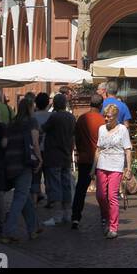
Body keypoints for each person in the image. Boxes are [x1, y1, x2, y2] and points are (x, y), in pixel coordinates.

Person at [0, 92, 43, 243]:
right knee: (20, 197)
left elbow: (3, 143)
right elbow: (35, 143)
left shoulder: (12, 123)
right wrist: (40, 159)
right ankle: (8, 231)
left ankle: (33, 227)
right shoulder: (32, 122)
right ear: (30, 108)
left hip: (10, 162)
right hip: (24, 162)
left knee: (24, 195)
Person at [95, 101, 133, 238]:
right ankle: (105, 216)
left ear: (115, 117)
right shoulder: (101, 129)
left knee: (112, 196)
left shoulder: (122, 129)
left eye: (109, 116)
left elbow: (128, 150)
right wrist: (93, 167)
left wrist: (128, 168)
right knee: (100, 195)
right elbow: (98, 149)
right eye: (105, 116)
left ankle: (113, 226)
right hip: (102, 165)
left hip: (116, 166)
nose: (106, 118)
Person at [72, 93, 106, 229]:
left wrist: (80, 151)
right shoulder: (102, 121)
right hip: (101, 160)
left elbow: (77, 139)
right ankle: (104, 217)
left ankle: (75, 217)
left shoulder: (82, 118)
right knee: (103, 190)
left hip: (85, 158)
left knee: (81, 188)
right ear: (101, 105)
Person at [42, 92, 76, 227]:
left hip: (54, 155)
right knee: (66, 184)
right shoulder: (71, 118)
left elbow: (42, 129)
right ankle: (67, 213)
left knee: (55, 185)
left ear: (55, 104)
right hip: (66, 155)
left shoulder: (54, 117)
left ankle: (57, 216)